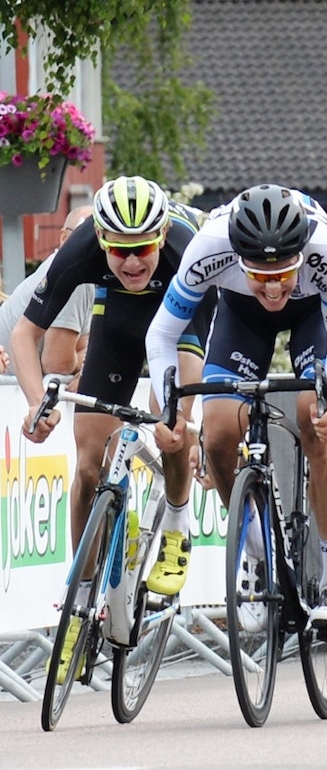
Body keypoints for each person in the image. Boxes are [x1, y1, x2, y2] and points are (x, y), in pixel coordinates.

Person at [13, 177, 210, 681]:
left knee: (172, 424)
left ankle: (175, 525)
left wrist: (189, 423)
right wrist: (38, 404)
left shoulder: (190, 249)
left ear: (162, 232)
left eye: (143, 248)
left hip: (180, 314)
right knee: (86, 465)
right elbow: (24, 333)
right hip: (118, 316)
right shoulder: (81, 249)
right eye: (120, 251)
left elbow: (201, 367)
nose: (132, 262)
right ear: (101, 239)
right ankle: (80, 596)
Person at [146, 184, 327, 630]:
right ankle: (257, 549)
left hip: (312, 315)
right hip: (241, 317)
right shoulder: (211, 244)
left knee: (314, 418)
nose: (274, 285)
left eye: (284, 273)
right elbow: (162, 334)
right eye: (260, 274)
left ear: (300, 254)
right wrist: (171, 410)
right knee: (220, 431)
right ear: (238, 255)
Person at [0, 205, 95, 380]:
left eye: (96, 239)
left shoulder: (56, 267)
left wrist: (81, 361)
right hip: (11, 393)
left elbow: (81, 349)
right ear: (63, 237)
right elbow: (58, 364)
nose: (88, 245)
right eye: (82, 236)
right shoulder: (74, 275)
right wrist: (83, 366)